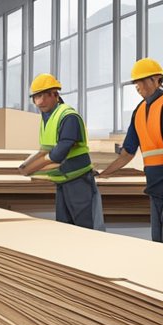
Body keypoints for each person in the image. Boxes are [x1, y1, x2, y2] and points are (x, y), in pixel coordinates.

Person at [99, 58, 163, 246]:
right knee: (158, 243)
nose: (138, 86)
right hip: (155, 189)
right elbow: (127, 153)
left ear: (157, 79)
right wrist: (104, 173)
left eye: (142, 80)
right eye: (136, 82)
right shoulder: (139, 111)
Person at [19, 74, 103, 230]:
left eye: (44, 96)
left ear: (55, 95)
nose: (40, 102)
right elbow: (44, 149)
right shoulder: (47, 117)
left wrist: (32, 169)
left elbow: (58, 153)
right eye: (36, 97)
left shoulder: (68, 116)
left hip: (78, 180)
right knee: (64, 227)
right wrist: (25, 165)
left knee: (85, 228)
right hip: (62, 180)